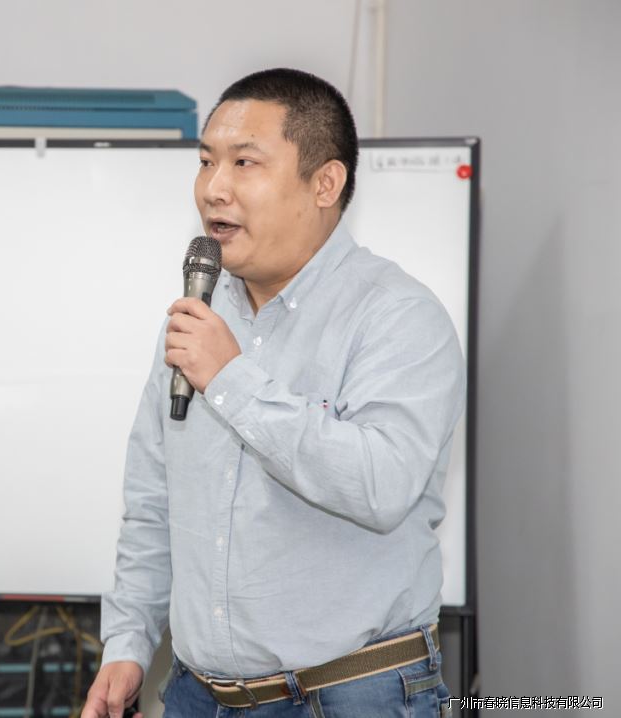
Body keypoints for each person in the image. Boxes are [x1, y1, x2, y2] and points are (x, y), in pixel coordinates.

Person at [80, 68, 465, 718]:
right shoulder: (201, 316)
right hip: (197, 694)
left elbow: (381, 487)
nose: (213, 187)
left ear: (325, 183)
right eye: (206, 161)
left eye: (244, 162)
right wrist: (128, 643)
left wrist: (231, 380)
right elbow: (153, 502)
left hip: (352, 696)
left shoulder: (399, 317)